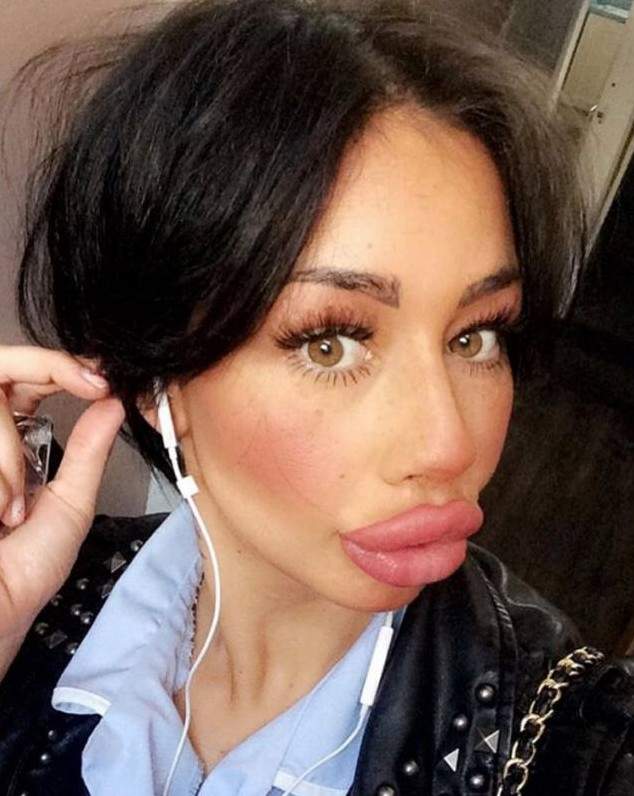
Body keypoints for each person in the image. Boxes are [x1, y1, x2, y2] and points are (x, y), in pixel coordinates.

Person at [0, 1, 632, 794]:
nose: (447, 445)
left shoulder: (580, 744)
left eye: (476, 337)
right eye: (331, 343)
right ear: (157, 384)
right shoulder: (37, 606)